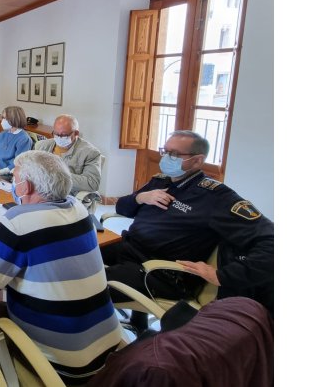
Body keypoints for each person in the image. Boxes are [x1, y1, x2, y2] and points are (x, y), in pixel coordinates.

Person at [0, 151, 122, 384]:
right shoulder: (79, 209)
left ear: (25, 186)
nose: (12, 183)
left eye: (14, 178)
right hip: (109, 347)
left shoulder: (18, 220)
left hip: (64, 365)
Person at [102, 130, 274, 332]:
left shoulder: (216, 198)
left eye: (174, 154)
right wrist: (141, 198)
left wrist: (223, 276)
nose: (165, 158)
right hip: (129, 249)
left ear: (197, 161)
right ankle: (132, 321)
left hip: (159, 271)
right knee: (69, 259)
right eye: (165, 151)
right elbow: (122, 208)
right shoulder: (160, 181)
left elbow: (271, 240)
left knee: (83, 286)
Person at [34, 114, 102, 194]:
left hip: (67, 195)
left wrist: (58, 175)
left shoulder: (90, 153)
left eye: (64, 135)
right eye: (56, 134)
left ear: (76, 133)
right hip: (41, 191)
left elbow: (92, 183)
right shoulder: (41, 146)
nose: (59, 138)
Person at [0, 106, 33, 176]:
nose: (2, 121)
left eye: (5, 118)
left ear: (14, 119)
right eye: (2, 118)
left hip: (8, 174)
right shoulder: (2, 134)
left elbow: (18, 163)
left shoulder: (24, 139)